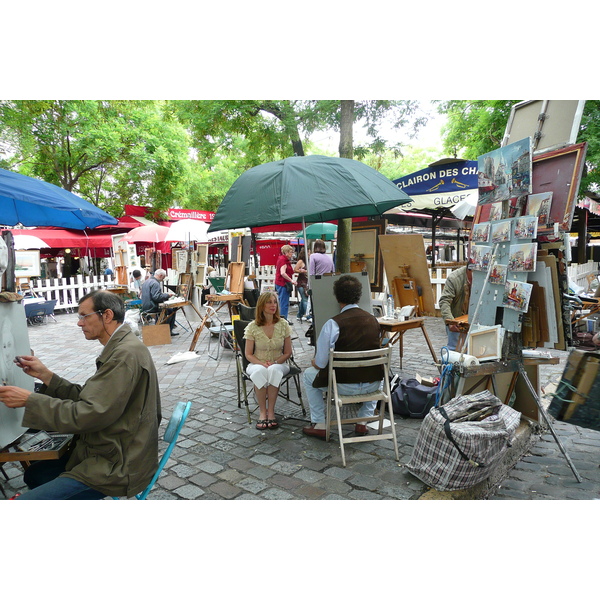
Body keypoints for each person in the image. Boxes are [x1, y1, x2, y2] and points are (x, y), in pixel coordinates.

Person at [0, 290, 162, 500]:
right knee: (35, 474)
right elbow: (91, 398)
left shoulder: (123, 355)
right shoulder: (121, 347)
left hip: (117, 464)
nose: (79, 323)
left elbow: (88, 414)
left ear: (107, 315)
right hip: (112, 449)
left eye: (84, 316)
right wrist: (47, 376)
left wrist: (29, 400)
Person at [302, 275, 383, 439]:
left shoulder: (333, 324)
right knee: (377, 370)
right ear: (359, 296)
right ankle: (363, 422)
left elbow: (321, 363)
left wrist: (315, 362)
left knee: (308, 375)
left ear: (337, 297)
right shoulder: (374, 321)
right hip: (372, 385)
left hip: (343, 385)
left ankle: (319, 424)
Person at [244, 292, 293, 431]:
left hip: (279, 362)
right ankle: (262, 412)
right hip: (256, 363)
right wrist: (261, 363)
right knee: (260, 371)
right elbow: (248, 354)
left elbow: (288, 352)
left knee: (273, 370)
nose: (273, 305)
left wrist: (275, 362)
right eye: (269, 302)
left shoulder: (283, 324)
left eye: (275, 302)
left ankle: (271, 411)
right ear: (262, 305)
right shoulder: (253, 327)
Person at [438, 265, 472, 351]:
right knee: (455, 350)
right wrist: (450, 321)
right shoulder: (454, 278)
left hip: (474, 319)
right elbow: (444, 301)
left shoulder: (483, 277)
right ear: (470, 270)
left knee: (474, 351)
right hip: (457, 319)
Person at [141, 268, 178, 335]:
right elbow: (156, 297)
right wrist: (167, 295)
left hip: (145, 306)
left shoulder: (147, 281)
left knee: (168, 310)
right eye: (163, 277)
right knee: (172, 311)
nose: (163, 280)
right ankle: (168, 331)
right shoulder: (155, 283)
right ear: (160, 275)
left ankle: (164, 328)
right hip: (152, 307)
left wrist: (163, 295)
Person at [307, 239, 335, 321]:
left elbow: (311, 273)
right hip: (327, 283)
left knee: (316, 305)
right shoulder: (329, 257)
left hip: (317, 283)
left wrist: (309, 286)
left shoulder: (313, 256)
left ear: (315, 247)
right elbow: (333, 271)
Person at [274, 244, 296, 320]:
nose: (292, 254)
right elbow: (283, 273)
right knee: (284, 303)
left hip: (281, 283)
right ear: (286, 252)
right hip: (283, 283)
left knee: (282, 302)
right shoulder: (283, 260)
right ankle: (283, 320)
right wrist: (291, 280)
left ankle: (283, 319)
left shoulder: (282, 259)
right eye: (290, 252)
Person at [294, 248, 309, 322]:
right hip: (301, 283)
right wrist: (302, 271)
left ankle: (299, 314)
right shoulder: (301, 261)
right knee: (305, 299)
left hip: (307, 282)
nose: (310, 254)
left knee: (304, 299)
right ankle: (308, 315)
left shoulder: (309, 261)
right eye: (309, 252)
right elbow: (295, 269)